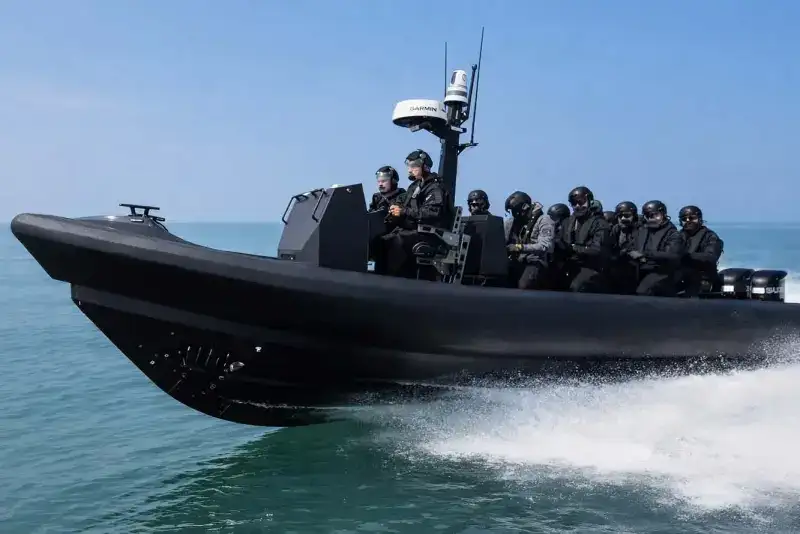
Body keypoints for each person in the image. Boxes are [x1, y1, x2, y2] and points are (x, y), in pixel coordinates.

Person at [384, 149, 450, 278]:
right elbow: (402, 203)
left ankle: (392, 279)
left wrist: (403, 211)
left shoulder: (435, 188)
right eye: (409, 166)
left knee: (394, 242)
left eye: (414, 166)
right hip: (413, 231)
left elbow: (432, 213)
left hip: (430, 235)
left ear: (425, 167)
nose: (410, 170)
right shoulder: (414, 187)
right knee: (381, 239)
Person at [627, 200, 684, 296]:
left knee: (644, 291)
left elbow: (673, 255)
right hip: (640, 268)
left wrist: (646, 254)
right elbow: (631, 247)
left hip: (662, 271)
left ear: (663, 214)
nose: (652, 218)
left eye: (655, 215)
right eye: (648, 216)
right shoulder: (641, 231)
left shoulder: (673, 234)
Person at [559, 186, 610, 292]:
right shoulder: (567, 222)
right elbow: (560, 241)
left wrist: (573, 248)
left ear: (590, 201)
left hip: (591, 267)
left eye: (581, 202)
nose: (577, 206)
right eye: (574, 203)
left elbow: (597, 250)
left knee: (576, 287)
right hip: (569, 264)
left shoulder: (600, 223)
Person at [503, 191, 555, 289]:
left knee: (524, 286)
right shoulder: (511, 223)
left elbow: (546, 246)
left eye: (514, 210)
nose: (513, 214)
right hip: (516, 261)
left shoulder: (544, 220)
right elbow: (502, 240)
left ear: (524, 207)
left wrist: (519, 247)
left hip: (535, 262)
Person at [678, 205, 724, 297]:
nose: (688, 221)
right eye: (684, 219)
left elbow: (711, 257)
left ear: (699, 219)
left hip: (703, 277)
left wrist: (687, 256)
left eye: (692, 218)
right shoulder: (677, 236)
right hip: (679, 276)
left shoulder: (710, 237)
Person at [367, 166, 405, 274]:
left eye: (384, 181)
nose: (380, 184)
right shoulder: (377, 198)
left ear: (393, 181)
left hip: (393, 234)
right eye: (379, 181)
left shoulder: (402, 197)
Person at [607, 201, 639, 294]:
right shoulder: (616, 229)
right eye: (620, 216)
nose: (623, 218)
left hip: (635, 268)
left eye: (627, 216)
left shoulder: (641, 230)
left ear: (634, 216)